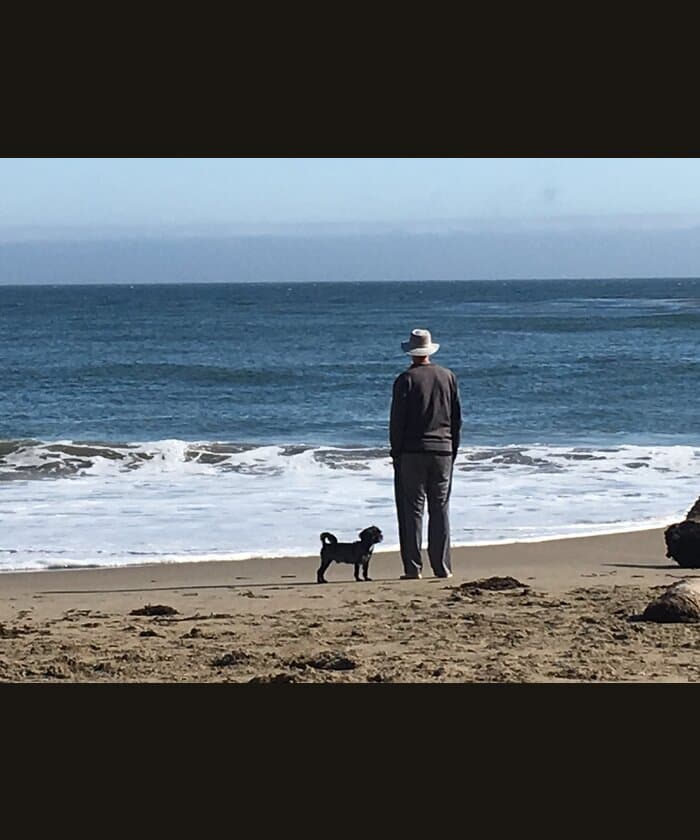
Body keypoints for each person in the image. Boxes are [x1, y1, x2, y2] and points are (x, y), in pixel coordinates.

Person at [390, 328, 462, 580]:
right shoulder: (448, 377)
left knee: (412, 511)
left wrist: (395, 453)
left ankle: (413, 567)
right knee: (440, 509)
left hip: (412, 452)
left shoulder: (405, 380)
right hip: (442, 449)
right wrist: (453, 449)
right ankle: (442, 566)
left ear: (411, 352)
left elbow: (397, 422)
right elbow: (456, 419)